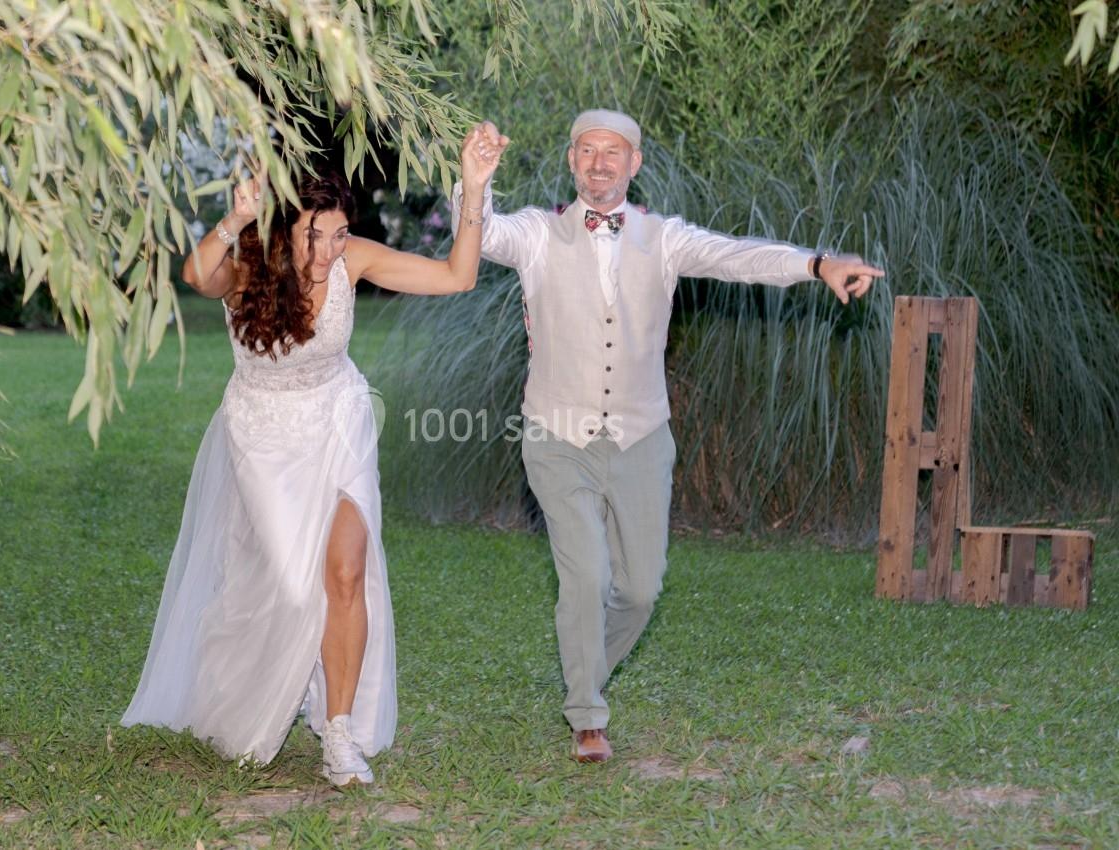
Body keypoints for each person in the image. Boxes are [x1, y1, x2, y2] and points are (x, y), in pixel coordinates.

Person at [454, 109, 882, 763]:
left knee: (642, 588)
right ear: (572, 162)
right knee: (587, 576)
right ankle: (587, 717)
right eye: (588, 151)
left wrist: (816, 264)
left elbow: (740, 257)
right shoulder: (537, 235)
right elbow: (479, 237)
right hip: (556, 438)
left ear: (635, 165)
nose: (600, 162)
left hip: (641, 438)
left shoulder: (666, 238)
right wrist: (474, 183)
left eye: (613, 152)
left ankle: (583, 673)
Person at [122, 126, 506, 786]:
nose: (329, 251)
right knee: (293, 591)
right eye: (313, 236)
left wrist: (473, 189)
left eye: (337, 234)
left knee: (344, 573)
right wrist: (238, 216)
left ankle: (338, 732)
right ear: (280, 230)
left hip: (338, 420)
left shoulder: (350, 257)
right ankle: (251, 689)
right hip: (262, 435)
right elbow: (194, 274)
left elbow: (457, 275)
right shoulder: (247, 262)